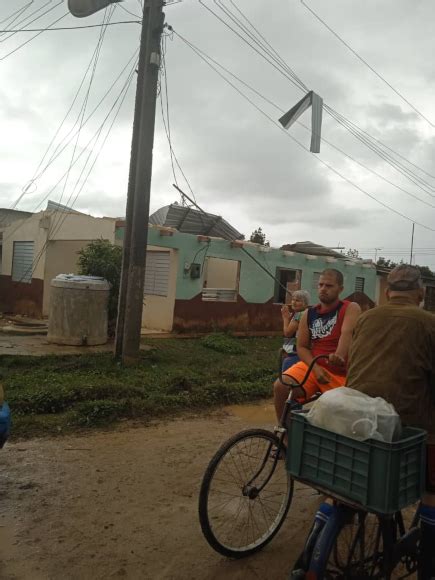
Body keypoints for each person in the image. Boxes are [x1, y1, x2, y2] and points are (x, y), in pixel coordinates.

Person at [346, 265, 435, 580]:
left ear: (387, 293)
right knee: (432, 487)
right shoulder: (429, 323)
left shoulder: (366, 319)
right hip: (406, 428)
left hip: (357, 419)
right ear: (421, 294)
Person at [273, 268, 361, 422]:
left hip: (341, 372)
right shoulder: (309, 313)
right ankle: (287, 437)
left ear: (340, 289)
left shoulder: (350, 308)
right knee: (280, 387)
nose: (323, 289)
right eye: (320, 285)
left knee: (342, 418)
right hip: (314, 366)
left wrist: (339, 355)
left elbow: (347, 333)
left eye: (329, 286)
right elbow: (302, 347)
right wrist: (316, 369)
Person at [280, 290, 310, 372]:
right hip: (304, 350)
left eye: (298, 300)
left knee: (287, 376)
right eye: (293, 299)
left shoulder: (299, 315)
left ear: (305, 303)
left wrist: (285, 318)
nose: (293, 302)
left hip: (295, 352)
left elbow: (288, 333)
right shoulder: (307, 313)